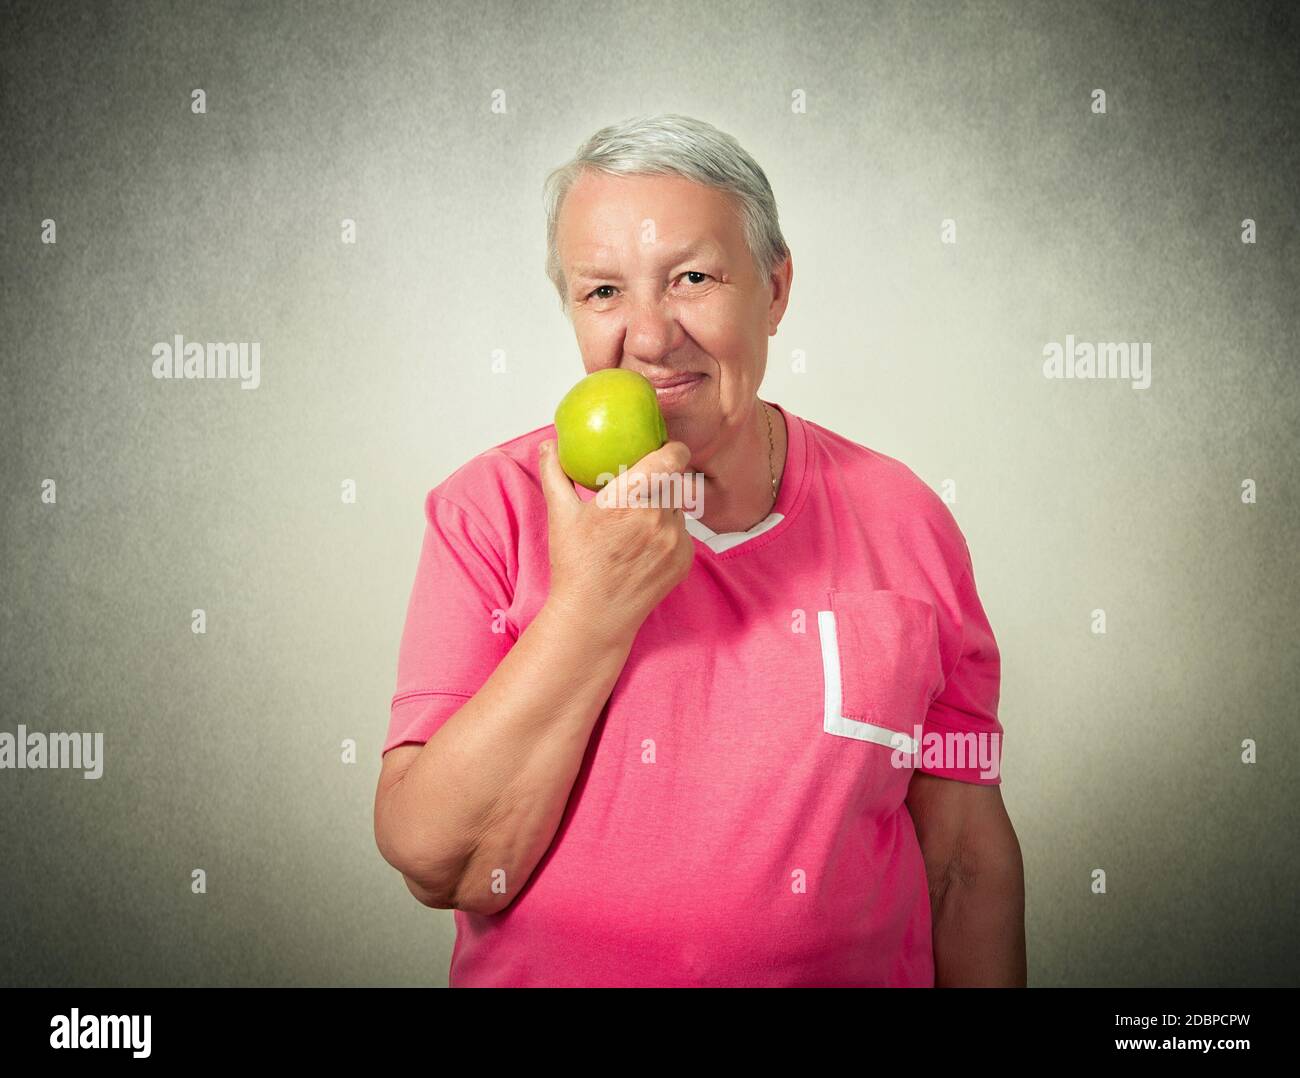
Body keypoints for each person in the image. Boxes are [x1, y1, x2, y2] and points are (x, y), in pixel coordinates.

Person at [373, 113, 1026, 987]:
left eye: (691, 278)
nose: (648, 337)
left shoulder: (908, 519)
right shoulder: (488, 511)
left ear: (776, 288)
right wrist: (591, 609)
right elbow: (437, 863)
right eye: (602, 292)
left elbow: (962, 858)